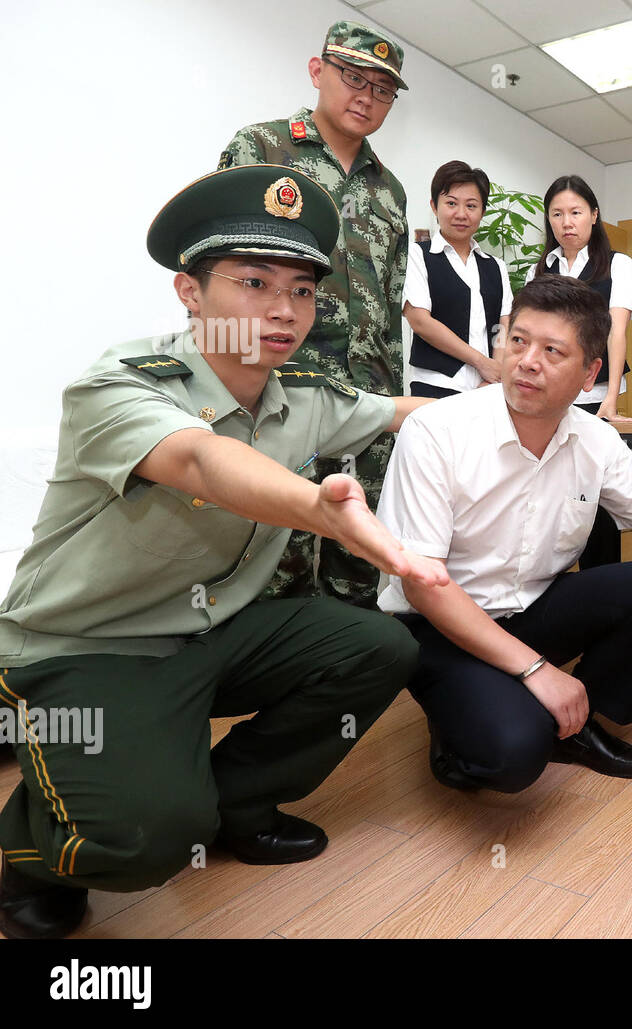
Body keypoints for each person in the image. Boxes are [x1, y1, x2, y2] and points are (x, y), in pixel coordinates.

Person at [0, 165, 447, 940]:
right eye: (253, 281)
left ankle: (234, 801)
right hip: (86, 644)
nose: (283, 310)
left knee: (378, 644)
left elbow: (403, 411)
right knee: (143, 841)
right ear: (189, 291)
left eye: (303, 290)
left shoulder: (304, 389)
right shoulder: (121, 383)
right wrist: (319, 508)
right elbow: (203, 464)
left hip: (214, 628)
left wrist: (523, 397)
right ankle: (30, 849)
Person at [375, 275, 632, 793]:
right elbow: (422, 584)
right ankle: (468, 719)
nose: (527, 361)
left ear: (591, 372)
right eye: (518, 340)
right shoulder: (436, 430)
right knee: (513, 758)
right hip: (440, 625)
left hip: (528, 609)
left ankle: (574, 723)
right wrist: (535, 672)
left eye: (553, 351)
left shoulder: (597, 440)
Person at [218, 20, 410, 609]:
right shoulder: (263, 150)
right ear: (317, 71)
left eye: (383, 89)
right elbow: (222, 270)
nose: (366, 96)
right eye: (353, 77)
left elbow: (392, 303)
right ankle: (275, 673)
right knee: (279, 550)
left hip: (368, 396)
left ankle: (343, 678)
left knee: (359, 546)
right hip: (283, 389)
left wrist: (393, 398)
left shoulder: (391, 191)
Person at [525, 175, 632, 567]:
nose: (566, 222)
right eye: (557, 214)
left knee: (597, 497)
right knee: (552, 495)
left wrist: (609, 399)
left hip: (596, 398)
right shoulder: (540, 270)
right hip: (551, 400)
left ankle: (604, 591)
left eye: (575, 212)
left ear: (594, 215)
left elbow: (616, 330)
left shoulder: (617, 264)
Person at [403, 160, 512, 400]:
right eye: (451, 203)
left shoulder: (496, 267)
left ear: (482, 211)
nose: (461, 214)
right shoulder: (417, 255)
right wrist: (481, 362)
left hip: (487, 388)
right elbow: (420, 321)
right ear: (434, 206)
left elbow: (502, 325)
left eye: (471, 205)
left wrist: (495, 370)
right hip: (434, 384)